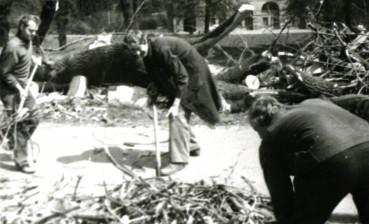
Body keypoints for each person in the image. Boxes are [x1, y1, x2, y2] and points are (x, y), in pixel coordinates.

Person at [248, 96, 369, 224]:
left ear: (261, 122)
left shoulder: (270, 139)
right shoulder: (313, 102)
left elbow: (280, 192)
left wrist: (288, 220)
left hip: (335, 160)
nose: (259, 135)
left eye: (256, 129)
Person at [135, 34, 224, 176]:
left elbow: (182, 77)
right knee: (178, 111)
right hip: (183, 74)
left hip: (192, 73)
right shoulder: (148, 51)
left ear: (144, 41)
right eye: (133, 50)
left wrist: (175, 103)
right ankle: (191, 146)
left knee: (177, 114)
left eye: (138, 49)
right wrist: (154, 89)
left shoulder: (161, 48)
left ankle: (179, 161)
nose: (137, 54)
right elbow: (156, 73)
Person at [0, 14, 41, 174]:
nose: (33, 34)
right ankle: (22, 161)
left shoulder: (28, 40)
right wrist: (19, 88)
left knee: (34, 118)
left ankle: (7, 134)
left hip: (23, 85)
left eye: (35, 31)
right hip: (8, 88)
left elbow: (25, 59)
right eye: (31, 30)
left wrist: (36, 60)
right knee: (21, 123)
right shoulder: (13, 47)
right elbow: (4, 73)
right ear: (22, 27)